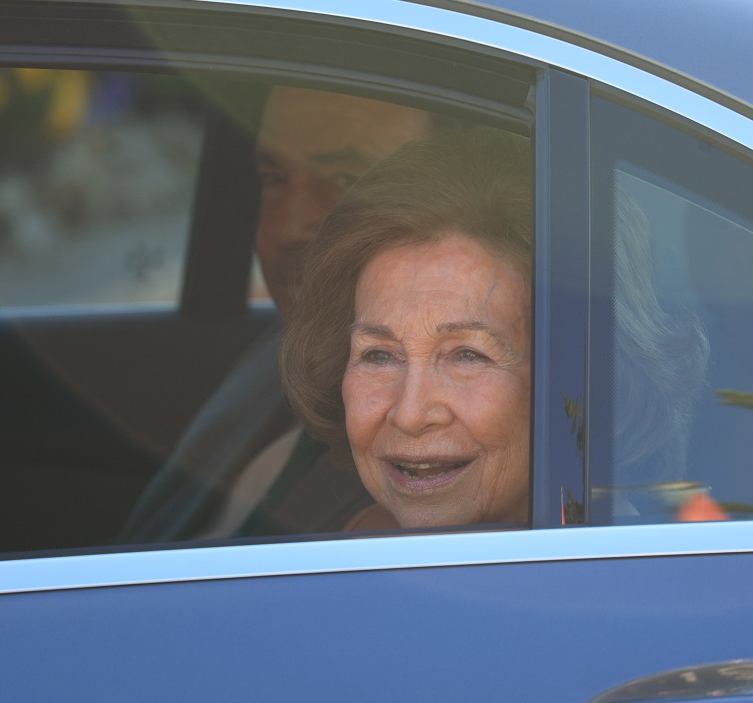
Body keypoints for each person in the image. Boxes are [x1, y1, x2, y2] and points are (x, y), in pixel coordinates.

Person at [117, 86, 430, 542]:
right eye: (275, 180)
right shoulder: (277, 359)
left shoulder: (440, 471)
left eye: (344, 178)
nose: (285, 227)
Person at [281, 130, 533, 530]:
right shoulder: (363, 548)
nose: (410, 414)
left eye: (468, 355)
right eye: (378, 355)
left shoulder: (623, 576)